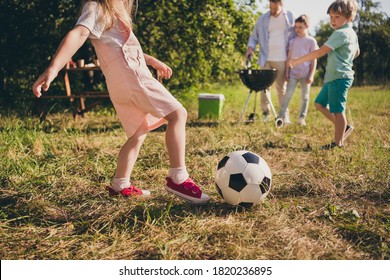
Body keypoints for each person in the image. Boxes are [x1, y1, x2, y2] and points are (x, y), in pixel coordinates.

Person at [32, 0, 210, 204]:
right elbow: (78, 34)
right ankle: (178, 178)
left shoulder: (115, 14)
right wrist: (53, 68)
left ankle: (120, 184)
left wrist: (151, 60)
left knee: (137, 133)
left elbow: (122, 48)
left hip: (119, 84)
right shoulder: (96, 7)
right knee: (178, 114)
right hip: (133, 77)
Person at [289, 0, 359, 149]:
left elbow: (320, 52)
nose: (333, 20)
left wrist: (297, 61)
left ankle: (338, 143)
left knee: (338, 111)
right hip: (334, 77)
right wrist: (345, 58)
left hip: (339, 78)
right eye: (331, 17)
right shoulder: (351, 33)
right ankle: (344, 127)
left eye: (337, 17)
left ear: (349, 16)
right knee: (319, 103)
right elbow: (357, 52)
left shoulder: (340, 33)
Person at [245, 0, 295, 123]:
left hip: (282, 59)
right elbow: (253, 37)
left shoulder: (289, 16)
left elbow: (295, 37)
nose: (272, 11)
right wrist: (250, 48)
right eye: (270, 8)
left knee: (281, 89)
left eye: (275, 9)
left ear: (281, 5)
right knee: (264, 87)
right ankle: (265, 113)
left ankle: (283, 115)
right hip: (266, 58)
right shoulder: (262, 19)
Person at [277, 15, 318, 126]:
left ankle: (301, 118)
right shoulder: (293, 41)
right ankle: (281, 116)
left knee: (305, 97)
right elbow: (289, 58)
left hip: (306, 74)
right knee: (288, 94)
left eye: (300, 27)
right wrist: (286, 73)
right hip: (293, 74)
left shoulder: (311, 41)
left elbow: (314, 59)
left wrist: (311, 75)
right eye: (296, 27)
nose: (297, 30)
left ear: (307, 26)